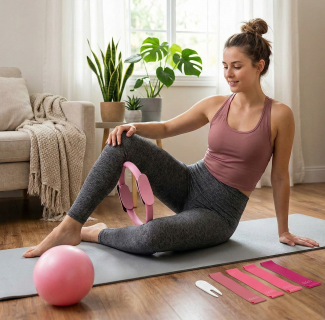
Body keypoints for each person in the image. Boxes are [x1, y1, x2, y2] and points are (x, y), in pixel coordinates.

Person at [23, 18, 319, 258]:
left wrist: (284, 231)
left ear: (259, 66)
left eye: (237, 66)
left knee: (154, 237)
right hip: (190, 183)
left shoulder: (280, 115)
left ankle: (91, 232)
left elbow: (280, 176)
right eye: (225, 66)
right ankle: (70, 224)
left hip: (219, 213)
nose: (229, 73)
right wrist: (132, 128)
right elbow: (166, 128)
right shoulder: (215, 104)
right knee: (123, 141)